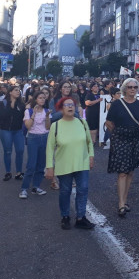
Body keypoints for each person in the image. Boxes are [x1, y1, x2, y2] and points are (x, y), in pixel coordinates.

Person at [45, 96, 95, 230]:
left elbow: (89, 142)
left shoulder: (82, 123)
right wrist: (49, 167)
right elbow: (49, 148)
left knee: (83, 190)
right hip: (64, 164)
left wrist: (91, 156)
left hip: (82, 162)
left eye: (72, 104)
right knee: (65, 191)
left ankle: (80, 218)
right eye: (66, 105)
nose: (70, 107)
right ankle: (65, 216)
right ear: (61, 109)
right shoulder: (55, 126)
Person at [104, 78, 139, 218]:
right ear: (124, 89)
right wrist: (117, 134)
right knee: (122, 172)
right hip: (120, 139)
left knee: (130, 171)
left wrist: (133, 131)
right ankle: (121, 204)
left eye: (135, 87)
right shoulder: (117, 104)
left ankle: (125, 199)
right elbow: (108, 122)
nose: (133, 89)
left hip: (135, 139)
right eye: (130, 87)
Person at [19, 91, 51, 199]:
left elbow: (47, 127)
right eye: (40, 97)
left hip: (44, 137)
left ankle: (36, 186)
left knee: (41, 165)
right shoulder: (29, 111)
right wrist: (34, 114)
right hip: (33, 137)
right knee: (31, 165)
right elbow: (28, 126)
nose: (42, 99)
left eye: (44, 98)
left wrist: (47, 117)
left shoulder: (47, 111)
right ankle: (24, 188)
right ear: (35, 99)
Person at [0, 85, 26, 182]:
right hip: (6, 130)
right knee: (8, 151)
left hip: (18, 130)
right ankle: (8, 172)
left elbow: (23, 116)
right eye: (15, 90)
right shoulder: (3, 103)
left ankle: (19, 172)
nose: (18, 92)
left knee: (20, 151)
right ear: (10, 92)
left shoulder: (21, 104)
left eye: (19, 90)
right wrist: (10, 107)